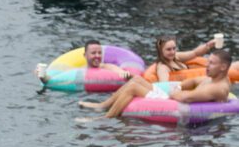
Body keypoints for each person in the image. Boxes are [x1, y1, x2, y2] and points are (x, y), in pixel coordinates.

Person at [78, 49, 232, 118]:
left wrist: (176, 93)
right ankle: (103, 105)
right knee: (137, 79)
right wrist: (179, 86)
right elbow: (194, 80)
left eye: (211, 63)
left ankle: (105, 119)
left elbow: (187, 99)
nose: (207, 66)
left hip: (173, 102)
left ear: (223, 67)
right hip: (172, 96)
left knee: (133, 86)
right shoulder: (214, 78)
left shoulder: (217, 88)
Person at [37, 40, 133, 83]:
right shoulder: (79, 70)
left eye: (99, 53)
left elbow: (119, 71)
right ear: (85, 56)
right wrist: (43, 76)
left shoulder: (106, 67)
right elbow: (56, 79)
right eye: (93, 53)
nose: (97, 56)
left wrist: (124, 74)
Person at [147, 36, 217, 83]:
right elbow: (164, 84)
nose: (172, 52)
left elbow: (195, 53)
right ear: (160, 51)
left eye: (174, 48)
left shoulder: (176, 57)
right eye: (168, 49)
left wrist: (208, 45)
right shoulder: (163, 68)